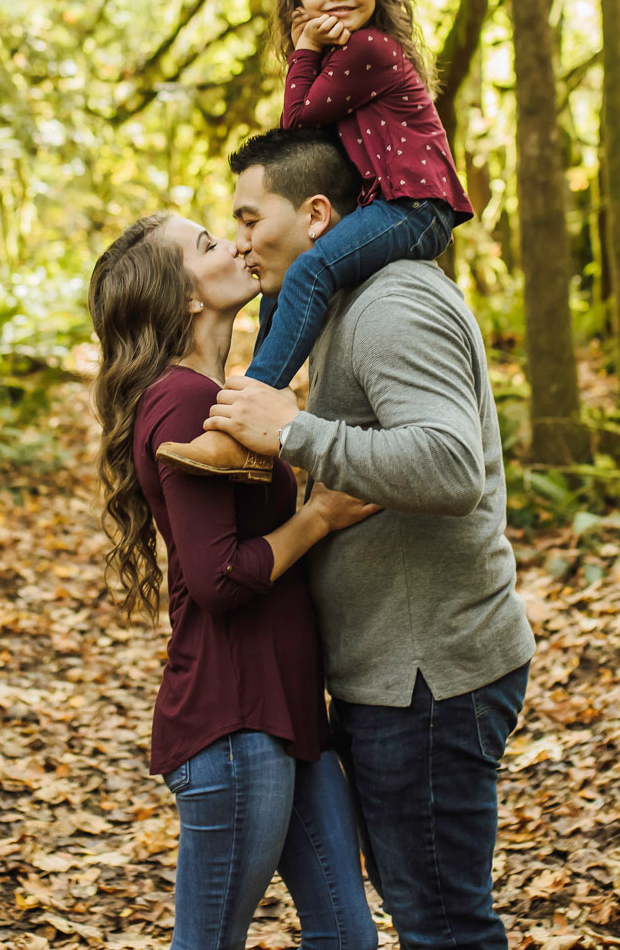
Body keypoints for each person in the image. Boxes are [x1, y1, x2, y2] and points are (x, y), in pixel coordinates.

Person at [202, 127, 536, 950]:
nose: (241, 243)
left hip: (427, 679)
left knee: (445, 926)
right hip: (393, 674)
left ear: (317, 215)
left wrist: (295, 434)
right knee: (425, 909)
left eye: (251, 220)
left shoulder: (391, 303)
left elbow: (453, 466)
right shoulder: (344, 299)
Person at [87, 211, 382, 950]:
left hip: (287, 712)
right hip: (234, 722)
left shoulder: (219, 395)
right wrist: (318, 517)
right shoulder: (181, 401)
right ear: (186, 296)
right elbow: (218, 578)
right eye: (210, 244)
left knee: (348, 937)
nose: (236, 244)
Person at [159, 0, 474, 480]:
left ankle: (246, 419)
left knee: (309, 270)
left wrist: (303, 47)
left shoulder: (370, 48)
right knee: (278, 285)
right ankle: (246, 429)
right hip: (389, 204)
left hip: (416, 206)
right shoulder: (346, 58)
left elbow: (296, 131)